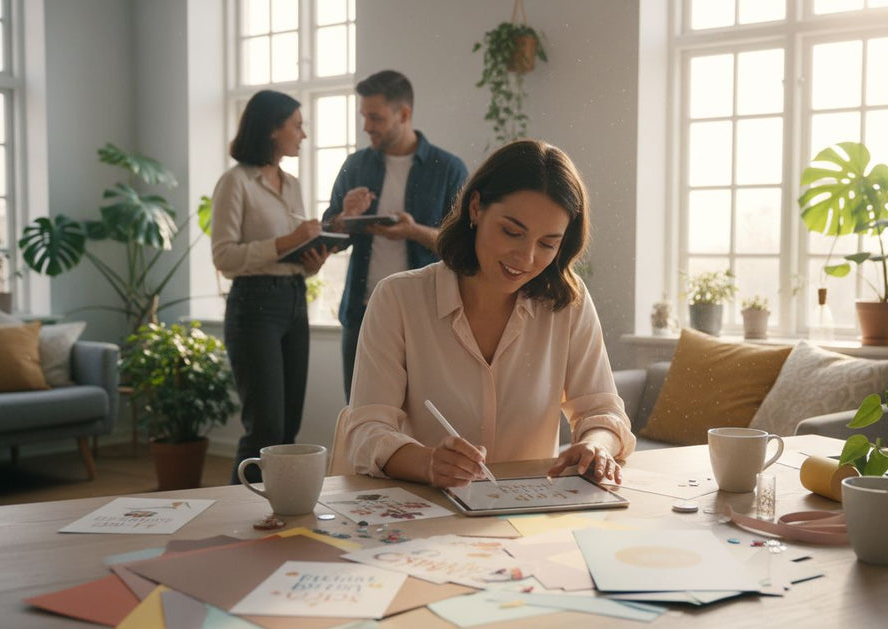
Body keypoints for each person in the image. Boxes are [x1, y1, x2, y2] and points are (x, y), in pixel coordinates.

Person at [330, 139, 636, 487]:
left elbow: (602, 412)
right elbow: (366, 429)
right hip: (425, 514)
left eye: (548, 244)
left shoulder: (568, 302)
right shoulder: (399, 298)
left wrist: (596, 446)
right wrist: (428, 463)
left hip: (527, 515)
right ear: (475, 208)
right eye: (511, 232)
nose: (526, 258)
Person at [321, 70, 467, 401]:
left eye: (375, 117)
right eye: (364, 116)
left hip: (429, 315)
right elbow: (327, 237)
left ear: (404, 114)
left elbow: (465, 247)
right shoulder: (354, 166)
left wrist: (414, 231)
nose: (366, 126)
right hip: (362, 313)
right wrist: (345, 217)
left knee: (426, 414)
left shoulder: (448, 168)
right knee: (360, 413)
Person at [212, 90, 330, 484]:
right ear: (271, 129)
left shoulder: (292, 184)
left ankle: (276, 515)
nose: (304, 134)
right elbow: (224, 257)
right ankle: (234, 520)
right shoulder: (235, 183)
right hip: (253, 307)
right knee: (264, 428)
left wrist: (311, 261)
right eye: (297, 125)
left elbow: (289, 254)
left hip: (293, 301)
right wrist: (287, 242)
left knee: (287, 429)